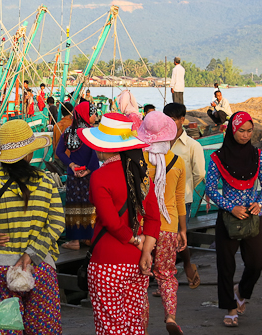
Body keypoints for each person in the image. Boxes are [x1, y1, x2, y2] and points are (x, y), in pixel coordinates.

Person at [0, 120, 65, 334]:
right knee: (43, 329)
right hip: (40, 267)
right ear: (28, 154)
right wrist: (31, 253)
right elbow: (57, 222)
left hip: (0, 268)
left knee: (7, 328)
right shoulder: (45, 181)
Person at [78, 113, 160, 335]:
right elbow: (154, 218)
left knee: (111, 326)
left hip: (107, 262)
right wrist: (145, 251)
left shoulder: (100, 176)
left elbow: (111, 222)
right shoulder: (142, 176)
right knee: (135, 324)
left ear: (104, 147)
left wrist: (135, 241)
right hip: (137, 263)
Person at [205, 112, 262, 328]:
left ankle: (242, 292)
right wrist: (231, 206)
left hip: (254, 216)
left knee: (257, 263)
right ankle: (230, 308)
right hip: (229, 217)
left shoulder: (258, 156)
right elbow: (211, 188)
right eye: (241, 131)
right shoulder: (218, 158)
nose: (246, 135)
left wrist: (259, 202)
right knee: (226, 265)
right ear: (232, 130)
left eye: (250, 131)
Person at [137, 111, 187, 334]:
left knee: (141, 279)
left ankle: (142, 325)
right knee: (166, 275)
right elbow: (179, 199)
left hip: (143, 228)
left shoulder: (138, 162)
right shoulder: (178, 162)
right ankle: (170, 316)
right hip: (168, 227)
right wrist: (182, 229)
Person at [164, 103, 205, 289]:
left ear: (182, 120)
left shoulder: (192, 146)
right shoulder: (160, 143)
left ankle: (183, 268)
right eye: (167, 120)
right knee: (164, 238)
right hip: (161, 199)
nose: (169, 123)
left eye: (173, 120)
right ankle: (166, 279)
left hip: (182, 200)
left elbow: (199, 174)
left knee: (177, 238)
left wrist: (186, 188)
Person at [56, 101, 99, 250]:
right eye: (93, 113)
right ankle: (89, 238)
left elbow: (59, 152)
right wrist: (88, 169)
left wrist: (71, 165)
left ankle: (74, 241)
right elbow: (95, 154)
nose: (95, 116)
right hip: (88, 176)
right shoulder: (91, 132)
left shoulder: (68, 131)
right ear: (86, 115)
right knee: (89, 205)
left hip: (73, 175)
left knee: (73, 206)